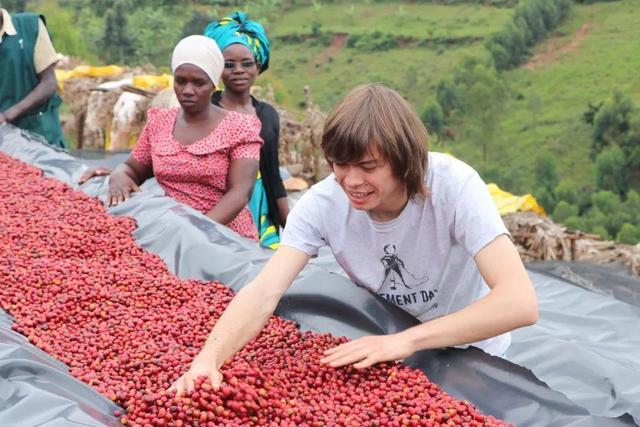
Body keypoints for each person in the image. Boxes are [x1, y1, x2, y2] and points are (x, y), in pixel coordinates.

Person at [172, 83, 538, 393]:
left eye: (368, 167)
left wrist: (406, 341)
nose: (351, 181)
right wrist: (209, 359)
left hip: (470, 355)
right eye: (340, 164)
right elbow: (264, 291)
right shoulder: (323, 203)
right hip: (383, 351)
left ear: (405, 159)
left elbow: (519, 301)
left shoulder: (454, 188)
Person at [78, 36, 263, 241]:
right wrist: (119, 175)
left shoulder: (240, 128)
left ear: (213, 84)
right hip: (172, 232)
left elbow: (239, 193)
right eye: (181, 81)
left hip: (224, 236)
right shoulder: (160, 123)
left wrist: (195, 232)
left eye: (198, 83)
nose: (187, 91)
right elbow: (133, 168)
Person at [205, 11, 289, 249]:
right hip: (213, 208)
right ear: (217, 68)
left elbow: (273, 175)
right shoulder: (206, 108)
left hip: (259, 208)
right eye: (229, 65)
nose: (238, 70)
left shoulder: (268, 116)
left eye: (247, 63)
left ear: (258, 65)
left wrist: (293, 230)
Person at [0, 7, 65, 147]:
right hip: (3, 143)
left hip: (39, 137)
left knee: (45, 168)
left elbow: (49, 83)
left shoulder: (30, 26)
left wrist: (7, 115)